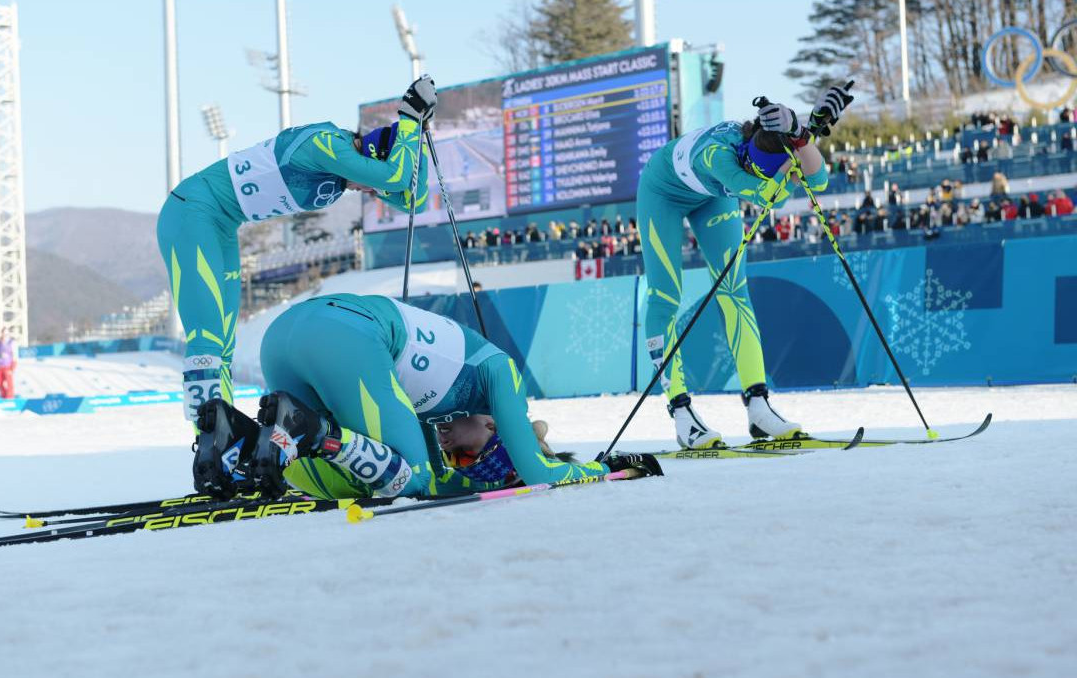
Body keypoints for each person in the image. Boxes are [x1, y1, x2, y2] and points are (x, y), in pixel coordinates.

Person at [156, 75, 437, 423]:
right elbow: (396, 178)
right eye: (370, 184)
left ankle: (220, 435)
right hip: (191, 214)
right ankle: (210, 442)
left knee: (222, 347)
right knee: (207, 340)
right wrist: (409, 118)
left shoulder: (339, 179)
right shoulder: (325, 143)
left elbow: (413, 201)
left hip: (222, 226)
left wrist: (417, 139)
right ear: (370, 156)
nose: (370, 192)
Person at [190, 294, 662, 500]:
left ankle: (235, 440)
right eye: (466, 453)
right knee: (409, 479)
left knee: (317, 474)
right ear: (496, 427)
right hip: (342, 334)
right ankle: (308, 429)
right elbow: (540, 473)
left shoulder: (434, 409)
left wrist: (464, 480)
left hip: (286, 334)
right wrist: (610, 467)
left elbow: (442, 480)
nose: (452, 451)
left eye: (455, 458)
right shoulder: (504, 377)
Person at [633, 83, 852, 449]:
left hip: (711, 197)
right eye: (762, 171)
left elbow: (819, 178)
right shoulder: (720, 157)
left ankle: (759, 407)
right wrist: (804, 139)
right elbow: (771, 196)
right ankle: (681, 413)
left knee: (734, 290)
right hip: (662, 193)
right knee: (665, 296)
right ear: (749, 161)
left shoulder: (759, 145)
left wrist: (802, 131)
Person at [0, 328, 17, 399]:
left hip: (8, 366)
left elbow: (15, 355)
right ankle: (3, 395)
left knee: (9, 382)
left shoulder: (11, 342)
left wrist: (12, 367)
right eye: (3, 333)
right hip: (0, 366)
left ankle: (10, 396)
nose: (4, 335)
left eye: (6, 334)